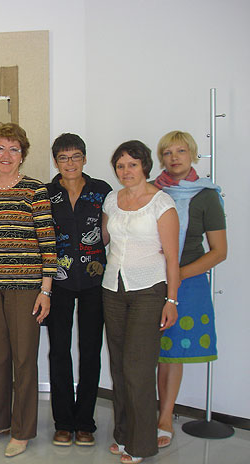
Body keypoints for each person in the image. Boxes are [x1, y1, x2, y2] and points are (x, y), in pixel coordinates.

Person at [0, 123, 57, 458]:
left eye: (14, 149)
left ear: (22, 155)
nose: (6, 156)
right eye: (0, 149)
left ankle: (22, 430)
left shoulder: (35, 191)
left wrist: (45, 291)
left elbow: (48, 244)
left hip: (25, 288)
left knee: (23, 360)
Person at [102, 141, 179, 464]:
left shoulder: (162, 204)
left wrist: (171, 299)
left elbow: (172, 259)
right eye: (120, 166)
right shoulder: (111, 200)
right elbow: (106, 239)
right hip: (112, 288)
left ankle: (141, 443)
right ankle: (123, 435)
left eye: (132, 164)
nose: (126, 171)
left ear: (145, 166)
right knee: (119, 367)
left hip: (149, 289)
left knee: (139, 368)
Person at [153, 131, 227, 448]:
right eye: (168, 152)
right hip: (153, 280)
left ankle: (165, 416)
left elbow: (219, 251)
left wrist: (177, 274)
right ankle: (151, 414)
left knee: (173, 353)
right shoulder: (154, 192)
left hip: (188, 281)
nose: (174, 157)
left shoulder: (207, 196)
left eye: (181, 151)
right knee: (154, 351)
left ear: (192, 154)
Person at [46, 133, 112, 447]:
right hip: (57, 283)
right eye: (63, 157)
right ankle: (63, 422)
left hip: (94, 281)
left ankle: (85, 422)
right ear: (56, 161)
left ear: (84, 158)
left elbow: (112, 233)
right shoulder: (45, 194)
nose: (70, 163)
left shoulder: (102, 191)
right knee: (58, 351)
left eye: (75, 156)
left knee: (90, 351)